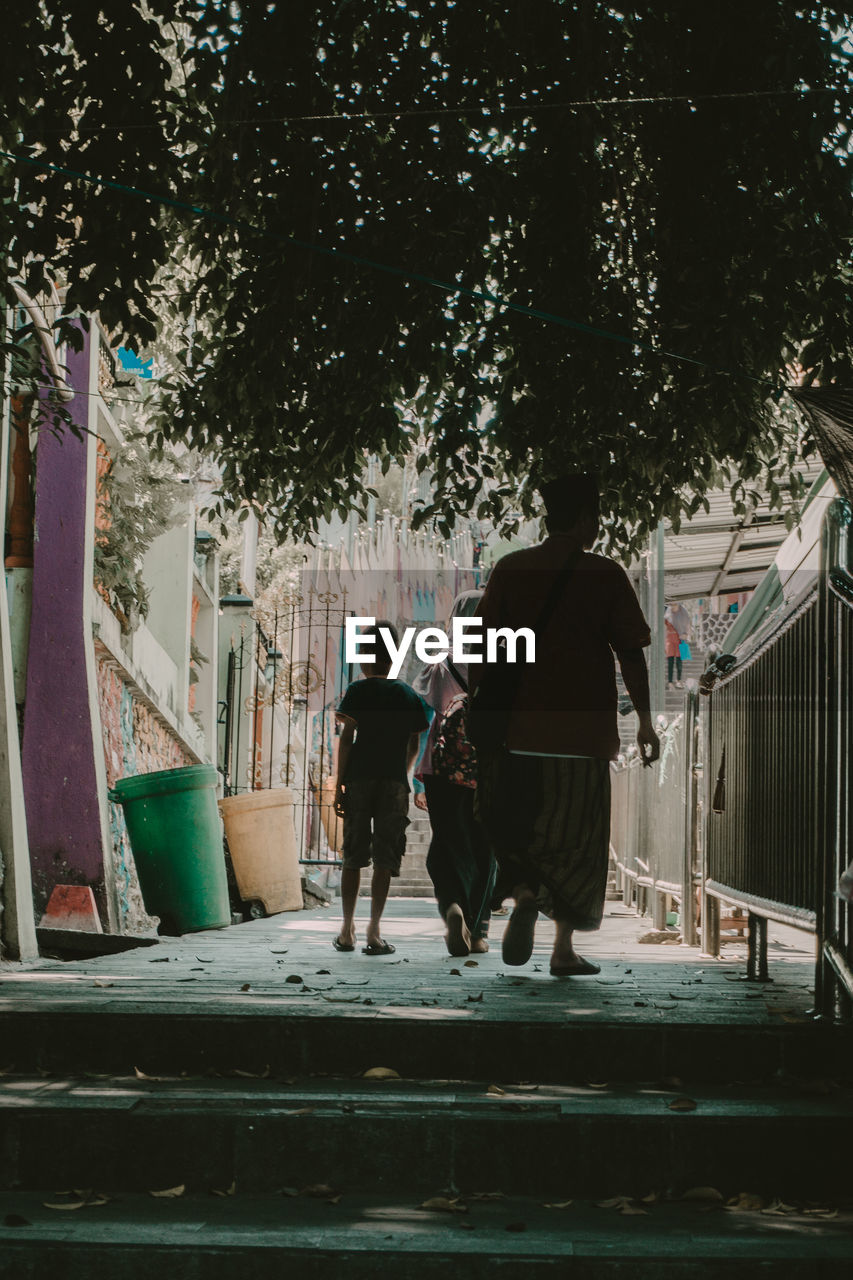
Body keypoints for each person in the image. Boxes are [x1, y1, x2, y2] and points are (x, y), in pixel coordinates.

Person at [472, 472, 660, 977]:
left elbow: (481, 651)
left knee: (519, 831)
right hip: (583, 740)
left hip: (518, 737)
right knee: (578, 844)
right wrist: (644, 721)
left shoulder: (511, 569)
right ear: (583, 519)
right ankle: (561, 949)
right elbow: (632, 657)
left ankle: (526, 892)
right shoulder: (606, 575)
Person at [333, 622, 428, 956]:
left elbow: (346, 741)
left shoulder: (357, 691)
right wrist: (404, 773)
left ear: (363, 658)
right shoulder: (407, 695)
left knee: (353, 855)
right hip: (393, 784)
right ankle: (374, 930)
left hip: (358, 779)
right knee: (385, 857)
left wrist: (339, 785)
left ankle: (346, 930)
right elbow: (415, 741)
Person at [413, 590, 497, 957]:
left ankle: (452, 906)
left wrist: (416, 777)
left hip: (441, 770)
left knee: (446, 843)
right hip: (488, 770)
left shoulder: (441, 665)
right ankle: (477, 932)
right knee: (485, 848)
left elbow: (422, 720)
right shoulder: (503, 661)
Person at [665, 602, 691, 688]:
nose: (673, 607)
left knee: (679, 662)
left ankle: (679, 680)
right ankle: (670, 681)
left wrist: (686, 634)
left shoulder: (683, 614)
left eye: (675, 605)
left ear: (678, 605)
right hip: (669, 640)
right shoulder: (668, 614)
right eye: (671, 605)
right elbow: (664, 628)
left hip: (680, 639)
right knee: (670, 661)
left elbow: (687, 625)